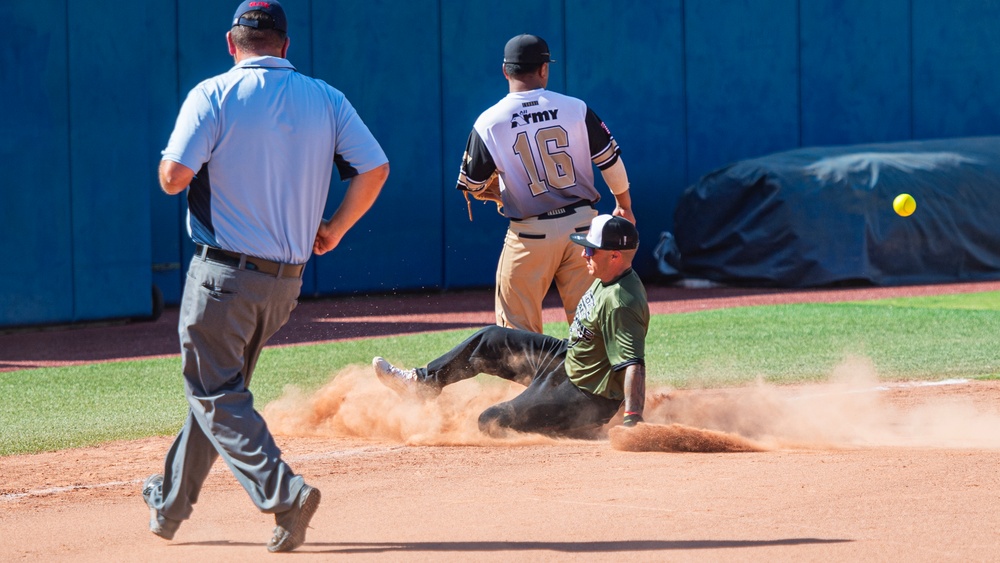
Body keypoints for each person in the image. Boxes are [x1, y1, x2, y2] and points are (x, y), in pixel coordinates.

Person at [143, 0, 389, 553]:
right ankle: (170, 505)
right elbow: (375, 167)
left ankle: (286, 494)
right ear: (285, 45)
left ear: (232, 45)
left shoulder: (213, 93)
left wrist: (173, 165)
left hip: (222, 278)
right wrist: (337, 227)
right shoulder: (326, 97)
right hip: (285, 283)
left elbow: (174, 177)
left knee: (214, 391)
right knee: (217, 394)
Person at [373, 215, 647, 437]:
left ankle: (580, 426)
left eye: (590, 249)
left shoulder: (622, 302)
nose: (583, 254)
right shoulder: (608, 274)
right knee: (490, 339)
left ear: (614, 256)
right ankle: (423, 383)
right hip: (568, 360)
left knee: (492, 421)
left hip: (585, 395)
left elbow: (633, 364)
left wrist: (633, 421)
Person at [456, 34, 636, 334]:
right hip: (583, 229)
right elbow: (609, 160)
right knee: (593, 325)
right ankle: (601, 381)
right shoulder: (575, 108)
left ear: (505, 70)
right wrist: (624, 205)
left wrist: (504, 188)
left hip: (529, 234)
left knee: (516, 333)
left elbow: (473, 184)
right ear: (544, 69)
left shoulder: (488, 122)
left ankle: (536, 381)